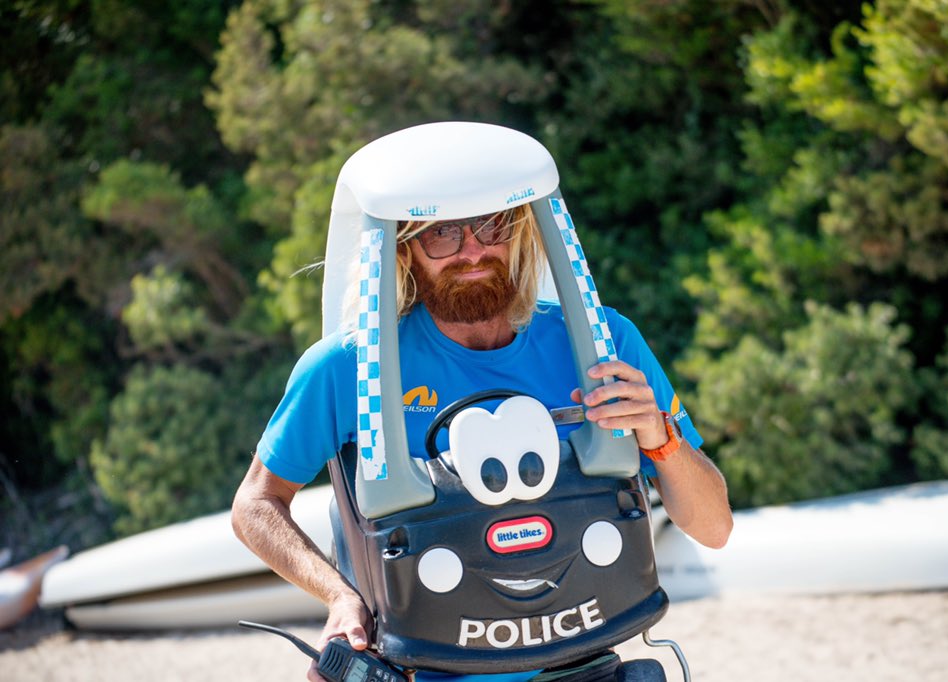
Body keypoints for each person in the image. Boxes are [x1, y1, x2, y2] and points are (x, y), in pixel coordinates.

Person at [232, 203, 733, 682]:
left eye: (491, 225)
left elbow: (713, 528)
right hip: (423, 668)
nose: (472, 251)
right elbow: (256, 504)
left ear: (518, 232)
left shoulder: (600, 342)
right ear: (403, 250)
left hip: (579, 664)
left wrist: (662, 440)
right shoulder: (350, 366)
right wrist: (338, 597)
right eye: (441, 233)